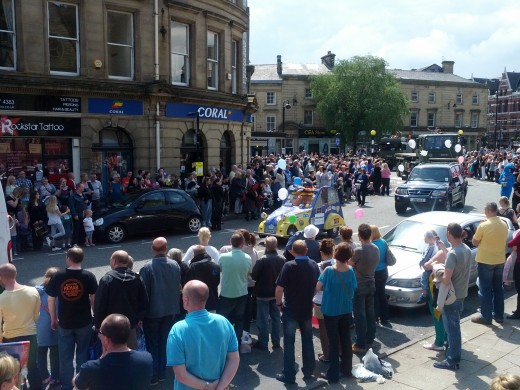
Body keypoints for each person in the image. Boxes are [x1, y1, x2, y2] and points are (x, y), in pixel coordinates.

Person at [166, 280, 240, 390]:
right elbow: (234, 360)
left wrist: (208, 387)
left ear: (186, 299)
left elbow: (181, 375)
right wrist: (220, 387)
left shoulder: (177, 330)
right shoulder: (224, 322)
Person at [46, 247, 98, 390]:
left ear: (68, 258)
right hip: (84, 322)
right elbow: (94, 299)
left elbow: (51, 299)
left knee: (65, 357)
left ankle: (67, 385)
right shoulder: (89, 276)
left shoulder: (58, 276)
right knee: (82, 354)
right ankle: (80, 384)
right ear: (81, 259)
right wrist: (95, 315)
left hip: (65, 322)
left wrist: (53, 318)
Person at [275, 240, 320, 384]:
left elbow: (279, 289)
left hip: (291, 309)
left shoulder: (289, 266)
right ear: (306, 250)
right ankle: (309, 371)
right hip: (306, 309)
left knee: (289, 342)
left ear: (293, 252)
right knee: (308, 339)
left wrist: (279, 303)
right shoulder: (313, 265)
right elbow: (317, 286)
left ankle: (289, 375)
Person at [139, 237, 181, 385]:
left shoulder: (147, 268)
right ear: (166, 248)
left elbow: (143, 294)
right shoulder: (175, 265)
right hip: (170, 311)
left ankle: (153, 376)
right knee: (164, 342)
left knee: (152, 344)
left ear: (152, 248)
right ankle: (162, 373)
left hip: (153, 313)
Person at [73, 314, 153, 390]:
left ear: (106, 340)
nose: (98, 335)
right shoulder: (147, 359)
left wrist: (102, 358)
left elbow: (77, 385)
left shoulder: (91, 368)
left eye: (100, 332)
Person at [315, 242, 357, 383]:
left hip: (331, 310)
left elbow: (318, 287)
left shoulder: (328, 271)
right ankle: (347, 369)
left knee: (333, 343)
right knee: (346, 340)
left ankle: (333, 374)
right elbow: (354, 287)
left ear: (336, 254)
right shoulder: (350, 270)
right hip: (345, 309)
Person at [433, 223, 471, 370]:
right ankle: (452, 353)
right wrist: (443, 247)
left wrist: (437, 273)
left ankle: (452, 360)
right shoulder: (465, 249)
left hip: (451, 298)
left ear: (448, 233)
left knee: (452, 330)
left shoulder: (453, 254)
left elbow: (446, 279)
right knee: (454, 327)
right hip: (461, 294)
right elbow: (453, 256)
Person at [94, 250, 148, 350]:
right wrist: (139, 319)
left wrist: (98, 325)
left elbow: (99, 304)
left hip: (110, 327)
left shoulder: (107, 279)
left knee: (110, 355)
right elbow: (144, 301)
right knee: (130, 355)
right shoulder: (137, 278)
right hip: (130, 326)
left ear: (114, 261)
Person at [0, 264, 42, 390]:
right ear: (16, 274)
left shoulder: (1, 298)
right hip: (31, 336)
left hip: (10, 338)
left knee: (13, 371)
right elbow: (36, 316)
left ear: (1, 277)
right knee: (32, 367)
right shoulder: (33, 291)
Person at [471, 202, 509, 325]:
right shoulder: (503, 224)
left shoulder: (483, 226)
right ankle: (498, 315)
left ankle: (486, 316)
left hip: (486, 260)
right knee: (498, 288)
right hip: (499, 260)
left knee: (485, 289)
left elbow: (475, 242)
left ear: (488, 210)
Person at [251, 236, 285, 351]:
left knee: (263, 319)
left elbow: (254, 276)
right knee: (276, 318)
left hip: (262, 294)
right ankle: (276, 342)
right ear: (276, 245)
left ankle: (263, 342)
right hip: (276, 294)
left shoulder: (262, 260)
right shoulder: (282, 259)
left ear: (266, 246)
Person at [217, 233, 252, 345]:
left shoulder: (223, 257)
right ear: (242, 244)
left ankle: (223, 344)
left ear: (230, 242)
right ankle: (235, 344)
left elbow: (220, 269)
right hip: (242, 293)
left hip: (226, 293)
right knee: (239, 320)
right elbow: (248, 273)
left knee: (223, 320)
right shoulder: (247, 258)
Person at [350, 223, 379, 354]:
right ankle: (369, 340)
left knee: (359, 315)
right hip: (371, 283)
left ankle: (360, 343)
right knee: (370, 313)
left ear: (360, 235)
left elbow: (350, 263)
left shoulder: (359, 250)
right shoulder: (376, 248)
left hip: (359, 285)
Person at [312, 238, 335, 363]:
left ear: (321, 253)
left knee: (323, 329)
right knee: (336, 327)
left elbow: (316, 286)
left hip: (321, 300)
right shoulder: (339, 263)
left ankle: (327, 354)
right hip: (336, 300)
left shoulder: (318, 267)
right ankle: (340, 351)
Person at [36, 267, 60, 388]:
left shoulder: (37, 291)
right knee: (55, 354)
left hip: (40, 327)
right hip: (55, 325)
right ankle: (55, 377)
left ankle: (44, 376)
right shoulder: (58, 292)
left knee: (40, 353)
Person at [185, 246, 221, 312]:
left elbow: (188, 284)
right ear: (206, 252)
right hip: (212, 301)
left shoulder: (193, 267)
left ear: (194, 254)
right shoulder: (215, 266)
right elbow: (217, 282)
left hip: (196, 302)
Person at [370, 225, 391, 325]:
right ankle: (385, 318)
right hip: (384, 271)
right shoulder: (383, 242)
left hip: (374, 272)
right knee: (382, 293)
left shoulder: (372, 245)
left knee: (374, 296)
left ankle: (375, 317)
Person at [417, 230, 439, 304]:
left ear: (430, 238)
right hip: (431, 266)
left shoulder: (431, 247)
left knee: (424, 279)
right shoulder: (431, 246)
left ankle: (424, 294)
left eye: (425, 237)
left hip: (430, 267)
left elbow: (427, 256)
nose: (424, 239)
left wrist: (421, 263)